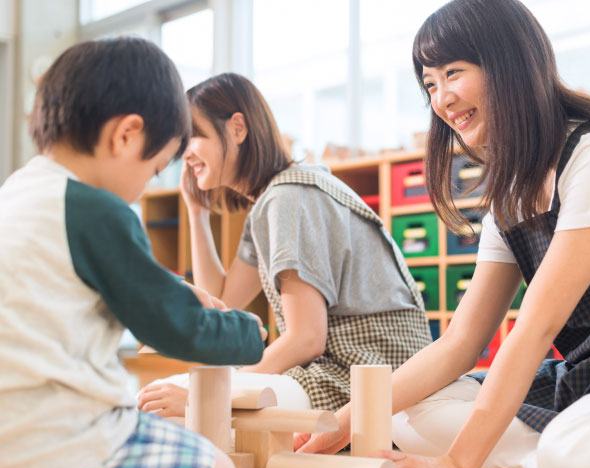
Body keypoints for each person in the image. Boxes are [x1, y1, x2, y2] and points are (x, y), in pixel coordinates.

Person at [295, 1, 590, 468]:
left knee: (572, 442)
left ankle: (577, 455)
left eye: (453, 72)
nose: (441, 99)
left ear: (509, 63)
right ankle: (576, 460)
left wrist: (458, 465)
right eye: (430, 84)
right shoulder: (511, 191)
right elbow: (460, 340)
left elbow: (536, 328)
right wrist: (342, 423)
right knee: (405, 415)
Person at [0, 37, 267, 468]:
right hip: (62, 442)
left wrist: (175, 291)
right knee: (218, 467)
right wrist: (248, 335)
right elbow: (174, 326)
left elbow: (74, 287)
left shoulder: (17, 194)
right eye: (154, 166)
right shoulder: (95, 209)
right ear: (126, 135)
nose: (144, 187)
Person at [137, 73, 432, 416]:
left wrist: (218, 392)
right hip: (361, 366)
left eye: (194, 137)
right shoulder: (275, 199)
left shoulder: (286, 198)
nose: (183, 154)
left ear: (237, 128)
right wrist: (197, 212)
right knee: (186, 392)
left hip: (368, 371)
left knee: (189, 395)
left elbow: (307, 338)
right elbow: (221, 300)